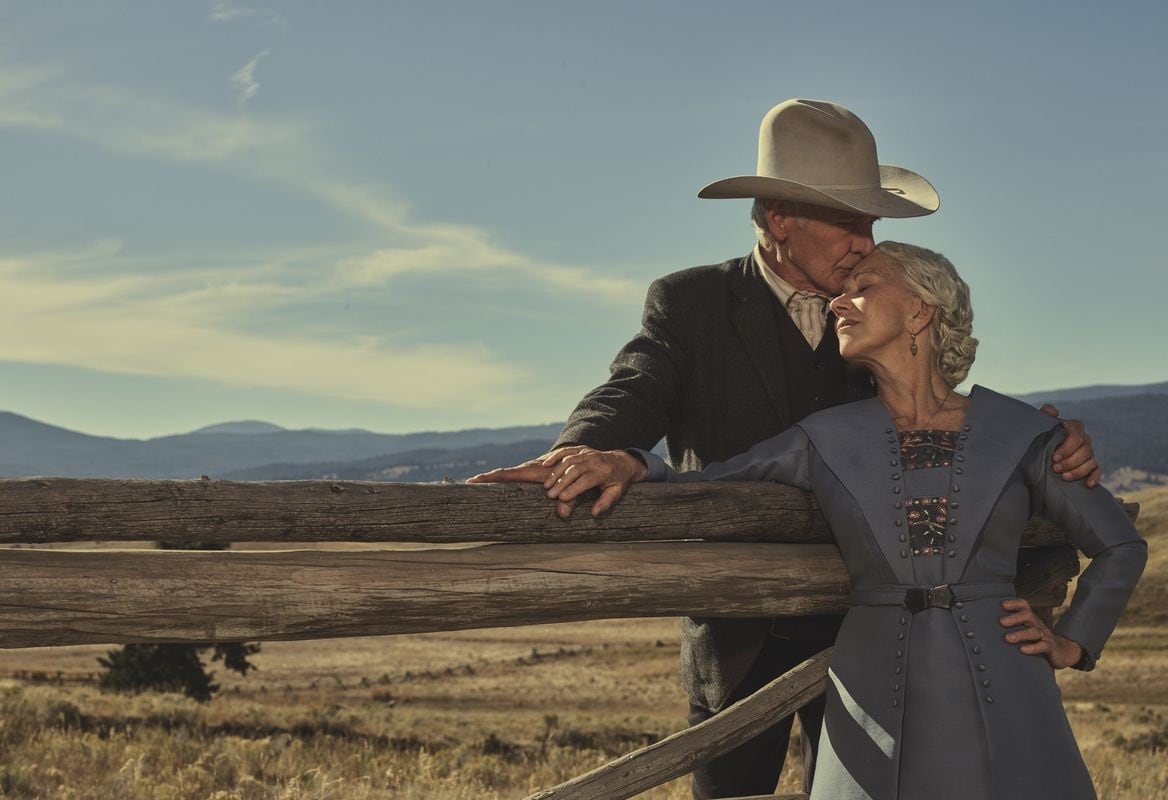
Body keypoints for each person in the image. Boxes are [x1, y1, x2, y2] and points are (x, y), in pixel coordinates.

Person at [468, 99, 1101, 798]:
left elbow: (937, 405)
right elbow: (634, 388)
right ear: (780, 220)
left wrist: (1046, 434)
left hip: (876, 636)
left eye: (871, 222)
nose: (867, 241)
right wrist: (589, 450)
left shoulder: (873, 307)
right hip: (738, 631)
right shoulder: (693, 303)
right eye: (850, 221)